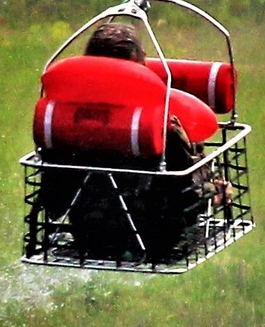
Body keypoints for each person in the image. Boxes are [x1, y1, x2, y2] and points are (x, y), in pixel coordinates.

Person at [34, 22, 230, 263]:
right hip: (153, 242)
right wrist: (215, 195)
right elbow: (187, 197)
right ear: (139, 67)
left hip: (87, 237)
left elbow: (54, 202)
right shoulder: (158, 126)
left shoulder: (64, 121)